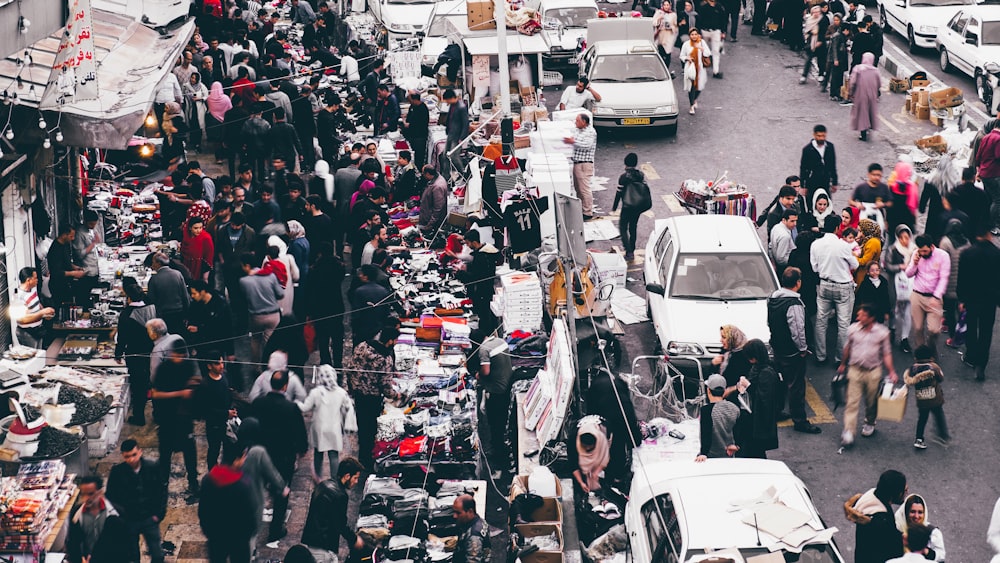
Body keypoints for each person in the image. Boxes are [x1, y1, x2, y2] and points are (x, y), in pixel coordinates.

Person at [251, 370, 309, 542]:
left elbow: (250, 424)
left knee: (256, 488)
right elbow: (300, 432)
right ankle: (276, 528)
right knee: (281, 491)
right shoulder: (291, 408)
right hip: (284, 456)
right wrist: (302, 448)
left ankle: (253, 525)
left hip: (261, 453)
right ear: (285, 386)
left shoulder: (258, 403)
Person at [768, 268, 821, 433]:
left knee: (780, 382)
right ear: (798, 283)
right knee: (796, 386)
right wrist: (803, 348)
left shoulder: (772, 300)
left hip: (778, 348)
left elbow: (770, 323)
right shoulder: (794, 304)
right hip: (792, 352)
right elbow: (797, 330)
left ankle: (776, 411)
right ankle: (800, 421)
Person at [838, 304, 897, 448]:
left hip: (873, 371)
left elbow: (886, 353)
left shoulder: (882, 332)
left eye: (862, 315)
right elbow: (848, 347)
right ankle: (849, 431)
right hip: (855, 369)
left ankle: (870, 421)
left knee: (871, 401)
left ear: (871, 318)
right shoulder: (852, 329)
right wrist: (843, 364)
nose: (858, 317)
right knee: (852, 401)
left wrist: (891, 371)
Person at [344, 327, 400, 468]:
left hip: (358, 395)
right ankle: (367, 459)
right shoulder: (385, 358)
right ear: (389, 341)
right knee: (371, 429)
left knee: (362, 425)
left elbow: (350, 368)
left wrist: (351, 387)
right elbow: (386, 386)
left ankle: (362, 453)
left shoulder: (362, 346)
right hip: (372, 399)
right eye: (395, 340)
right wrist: (396, 395)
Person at [106, 440, 168, 563]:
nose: (131, 459)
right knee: (132, 556)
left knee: (157, 554)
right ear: (123, 456)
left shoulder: (152, 467)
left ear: (140, 452)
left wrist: (158, 514)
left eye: (134, 455)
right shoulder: (117, 472)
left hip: (149, 517)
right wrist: (121, 517)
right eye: (127, 456)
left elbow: (161, 491)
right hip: (129, 520)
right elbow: (111, 497)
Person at [151, 340, 201, 492]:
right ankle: (163, 482)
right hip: (167, 418)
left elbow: (193, 381)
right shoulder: (163, 369)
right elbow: (155, 393)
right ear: (172, 354)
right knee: (165, 453)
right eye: (178, 355)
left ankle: (193, 480)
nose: (180, 358)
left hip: (184, 418)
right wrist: (180, 393)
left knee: (190, 452)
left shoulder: (188, 365)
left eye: (183, 355)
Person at [199, 444, 257, 563]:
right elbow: (249, 515)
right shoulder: (243, 485)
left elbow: (203, 511)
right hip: (239, 540)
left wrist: (208, 532)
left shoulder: (208, 480)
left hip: (216, 537)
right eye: (243, 457)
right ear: (236, 460)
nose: (244, 460)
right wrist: (247, 535)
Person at [812, 214, 858, 364]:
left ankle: (820, 355)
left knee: (821, 321)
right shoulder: (843, 246)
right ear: (838, 228)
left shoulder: (815, 244)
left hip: (824, 284)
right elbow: (855, 265)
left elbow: (815, 267)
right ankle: (840, 358)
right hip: (843, 286)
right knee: (843, 324)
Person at [297, 364, 357, 481]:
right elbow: (348, 409)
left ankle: (318, 477)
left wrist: (294, 402)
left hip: (319, 428)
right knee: (334, 455)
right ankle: (334, 479)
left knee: (318, 454)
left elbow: (305, 407)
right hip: (334, 428)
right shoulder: (341, 392)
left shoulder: (316, 392)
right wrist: (348, 425)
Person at [235, 417, 288, 545]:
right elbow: (272, 473)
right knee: (250, 534)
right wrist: (282, 487)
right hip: (252, 497)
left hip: (234, 496)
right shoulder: (258, 452)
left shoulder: (233, 448)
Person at [957, 228, 1000, 381]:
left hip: (972, 298)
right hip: (990, 299)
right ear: (989, 234)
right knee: (986, 331)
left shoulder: (968, 253)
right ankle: (981, 364)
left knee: (971, 327)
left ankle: (971, 355)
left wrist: (961, 299)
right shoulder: (996, 253)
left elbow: (961, 278)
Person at [300, 457, 366, 554]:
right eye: (355, 478)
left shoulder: (323, 485)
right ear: (347, 476)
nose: (356, 482)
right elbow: (340, 523)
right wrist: (354, 539)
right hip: (324, 546)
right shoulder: (341, 496)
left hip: (311, 540)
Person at [115, 285, 157, 425]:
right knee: (150, 382)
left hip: (134, 353)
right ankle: (156, 413)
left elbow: (122, 337)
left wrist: (118, 354)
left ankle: (139, 416)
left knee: (138, 385)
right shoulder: (152, 308)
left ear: (129, 298)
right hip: (152, 351)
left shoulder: (127, 314)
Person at [844, 470, 907, 563]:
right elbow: (894, 548)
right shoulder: (883, 521)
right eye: (904, 490)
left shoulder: (870, 497)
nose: (906, 493)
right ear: (895, 493)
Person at [67, 475, 132, 563]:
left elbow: (126, 541)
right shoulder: (76, 514)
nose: (86, 498)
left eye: (90, 494)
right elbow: (73, 542)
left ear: (100, 492)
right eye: (83, 494)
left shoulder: (116, 512)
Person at [905, 235, 949, 351]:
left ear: (932, 246)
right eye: (921, 251)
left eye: (925, 251)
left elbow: (944, 278)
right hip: (917, 294)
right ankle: (921, 354)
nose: (923, 253)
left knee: (934, 330)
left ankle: (930, 349)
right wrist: (914, 263)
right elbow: (908, 274)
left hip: (933, 296)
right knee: (918, 328)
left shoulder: (943, 256)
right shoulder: (917, 254)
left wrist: (936, 296)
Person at [737, 339, 779, 458]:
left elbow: (764, 399)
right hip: (753, 420)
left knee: (755, 450)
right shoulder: (758, 367)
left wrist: (748, 386)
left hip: (759, 422)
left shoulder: (767, 373)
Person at [901, 345, 949, 450]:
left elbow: (910, 380)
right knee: (939, 416)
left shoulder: (913, 369)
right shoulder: (934, 367)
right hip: (935, 399)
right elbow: (941, 378)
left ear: (915, 358)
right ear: (931, 358)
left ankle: (919, 439)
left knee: (922, 419)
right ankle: (943, 436)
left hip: (921, 400)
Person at [239, 253, 284, 364]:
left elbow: (244, 299)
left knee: (255, 340)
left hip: (256, 316)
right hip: (273, 314)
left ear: (247, 265)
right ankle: (271, 365)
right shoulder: (271, 276)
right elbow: (280, 294)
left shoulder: (244, 281)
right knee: (270, 341)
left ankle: (256, 366)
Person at [197, 351, 236, 470]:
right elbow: (206, 411)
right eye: (218, 363)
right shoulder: (205, 384)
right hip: (214, 425)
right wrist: (226, 414)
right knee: (214, 450)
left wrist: (232, 408)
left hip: (226, 421)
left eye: (222, 362)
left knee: (229, 447)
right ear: (209, 366)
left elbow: (229, 393)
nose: (221, 366)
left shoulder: (224, 376)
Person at [458, 229, 500, 334]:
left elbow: (476, 277)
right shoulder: (485, 252)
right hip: (486, 289)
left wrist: (460, 273)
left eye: (468, 243)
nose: (467, 246)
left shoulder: (482, 256)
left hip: (482, 291)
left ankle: (484, 334)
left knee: (484, 315)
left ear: (474, 242)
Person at [885, 224, 916, 352]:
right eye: (902, 237)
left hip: (910, 284)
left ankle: (904, 338)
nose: (905, 240)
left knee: (908, 312)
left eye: (907, 237)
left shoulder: (915, 250)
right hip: (895, 284)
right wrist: (899, 267)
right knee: (894, 310)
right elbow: (887, 266)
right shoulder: (893, 249)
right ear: (898, 237)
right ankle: (892, 328)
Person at [696, 373, 740, 460]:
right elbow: (738, 430)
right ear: (724, 391)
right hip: (729, 454)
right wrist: (737, 445)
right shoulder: (734, 408)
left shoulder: (706, 410)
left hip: (711, 456)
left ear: (708, 390)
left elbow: (706, 433)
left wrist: (703, 453)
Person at [613, 153, 648, 262]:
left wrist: (614, 206)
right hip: (637, 207)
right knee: (633, 227)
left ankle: (628, 251)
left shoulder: (623, 177)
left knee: (623, 228)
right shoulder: (641, 175)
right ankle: (632, 249)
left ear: (625, 163)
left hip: (627, 206)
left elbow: (619, 193)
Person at [563, 113, 598, 220]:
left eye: (577, 121)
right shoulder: (577, 130)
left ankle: (588, 211)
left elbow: (587, 146)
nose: (575, 122)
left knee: (584, 189)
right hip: (577, 163)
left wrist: (573, 142)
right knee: (578, 189)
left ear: (584, 122)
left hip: (584, 164)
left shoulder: (590, 132)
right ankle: (582, 209)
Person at [938, 218, 969, 336]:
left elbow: (941, 262)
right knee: (960, 309)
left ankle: (952, 333)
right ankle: (959, 331)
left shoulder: (945, 242)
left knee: (949, 310)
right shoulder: (966, 242)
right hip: (963, 282)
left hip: (949, 283)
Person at [147, 252, 190, 335]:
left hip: (164, 316)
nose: (152, 265)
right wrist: (187, 314)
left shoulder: (154, 279)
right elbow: (185, 296)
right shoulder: (178, 274)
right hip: (179, 313)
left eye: (153, 262)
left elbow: (151, 300)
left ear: (158, 263)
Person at [892, 495, 946, 561]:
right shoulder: (896, 529)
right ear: (906, 512)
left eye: (920, 512)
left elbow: (941, 556)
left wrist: (926, 551)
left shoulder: (933, 532)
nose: (916, 516)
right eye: (912, 512)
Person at [14, 267, 54, 348]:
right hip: (27, 333)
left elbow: (37, 304)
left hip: (38, 330)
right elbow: (23, 319)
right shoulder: (19, 297)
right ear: (28, 280)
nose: (37, 280)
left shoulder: (33, 289)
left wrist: (44, 313)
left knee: (39, 355)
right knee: (33, 358)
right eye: (35, 278)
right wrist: (42, 313)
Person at [799, 124, 839, 202]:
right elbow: (803, 168)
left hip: (826, 181)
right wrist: (803, 186)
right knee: (812, 202)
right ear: (814, 135)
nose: (821, 138)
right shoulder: (807, 149)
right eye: (819, 136)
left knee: (826, 202)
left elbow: (833, 165)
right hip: (812, 181)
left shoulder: (830, 147)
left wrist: (834, 182)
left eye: (823, 136)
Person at [48, 225, 86, 306]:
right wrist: (74, 273)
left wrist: (75, 267)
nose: (73, 238)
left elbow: (66, 262)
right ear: (64, 235)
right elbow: (56, 272)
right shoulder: (55, 249)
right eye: (71, 236)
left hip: (67, 283)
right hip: (58, 286)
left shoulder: (66, 244)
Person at [849, 52, 881, 141]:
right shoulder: (875, 70)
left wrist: (851, 92)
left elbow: (853, 82)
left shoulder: (858, 69)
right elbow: (879, 83)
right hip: (872, 95)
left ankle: (863, 133)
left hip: (860, 94)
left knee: (862, 113)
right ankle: (869, 127)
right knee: (870, 111)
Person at [679, 29, 711, 114]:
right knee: (691, 87)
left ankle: (695, 99)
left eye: (695, 34)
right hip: (690, 68)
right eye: (692, 34)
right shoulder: (686, 44)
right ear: (689, 35)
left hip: (700, 68)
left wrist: (701, 48)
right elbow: (681, 56)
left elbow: (708, 53)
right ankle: (691, 105)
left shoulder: (702, 42)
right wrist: (687, 58)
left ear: (698, 35)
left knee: (700, 86)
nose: (694, 36)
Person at [454, 494, 490, 563]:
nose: (454, 516)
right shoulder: (480, 520)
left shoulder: (474, 537)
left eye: (458, 513)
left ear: (470, 511)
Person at [442, 89, 469, 178]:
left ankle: (463, 174)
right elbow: (449, 118)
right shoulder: (452, 106)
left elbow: (465, 124)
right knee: (445, 155)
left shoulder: (461, 107)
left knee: (454, 157)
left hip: (457, 136)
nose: (447, 102)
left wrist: (462, 137)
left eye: (447, 100)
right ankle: (445, 175)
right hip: (451, 133)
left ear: (451, 98)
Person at [698, 0, 727, 77]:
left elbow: (724, 20)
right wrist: (699, 32)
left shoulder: (719, 7)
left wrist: (723, 31)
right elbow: (699, 19)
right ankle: (700, 69)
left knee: (716, 51)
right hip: (704, 31)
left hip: (716, 31)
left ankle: (716, 71)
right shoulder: (703, 7)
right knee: (702, 51)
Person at [182, 217, 215, 283]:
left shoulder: (206, 238)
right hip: (187, 266)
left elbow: (209, 257)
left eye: (201, 227)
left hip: (200, 269)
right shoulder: (186, 236)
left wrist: (205, 276)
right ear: (190, 228)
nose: (199, 230)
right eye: (196, 228)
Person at [418, 166, 449, 236]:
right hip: (429, 219)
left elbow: (438, 208)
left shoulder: (437, 186)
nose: (423, 176)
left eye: (423, 174)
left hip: (433, 223)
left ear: (428, 174)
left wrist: (429, 225)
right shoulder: (436, 180)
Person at [769, 208, 798, 274]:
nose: (795, 224)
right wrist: (794, 261)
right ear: (784, 220)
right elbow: (780, 260)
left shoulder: (776, 227)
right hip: (784, 269)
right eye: (792, 221)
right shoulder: (785, 236)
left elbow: (770, 245)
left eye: (796, 221)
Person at [854, 219, 882, 285]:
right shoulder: (869, 240)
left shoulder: (872, 242)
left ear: (866, 231)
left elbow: (864, 261)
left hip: (864, 275)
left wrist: (853, 256)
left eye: (860, 231)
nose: (859, 233)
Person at [653, 1, 679, 68]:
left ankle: (667, 68)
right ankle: (661, 69)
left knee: (668, 53)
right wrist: (659, 19)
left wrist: (671, 27)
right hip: (660, 35)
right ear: (662, 5)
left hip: (668, 36)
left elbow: (675, 26)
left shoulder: (673, 15)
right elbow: (653, 23)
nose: (666, 7)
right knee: (660, 53)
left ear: (670, 6)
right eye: (665, 5)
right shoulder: (659, 12)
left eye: (668, 5)